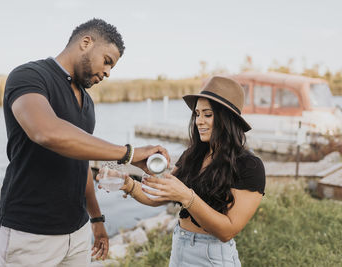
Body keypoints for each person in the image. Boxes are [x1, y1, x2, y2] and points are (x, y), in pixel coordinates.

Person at [0, 18, 170, 267]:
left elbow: (81, 164)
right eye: (107, 61)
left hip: (77, 233)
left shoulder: (87, 104)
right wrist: (128, 154)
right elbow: (45, 131)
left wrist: (96, 219)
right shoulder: (29, 76)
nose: (108, 72)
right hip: (30, 234)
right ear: (86, 43)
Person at [102, 76, 266, 266]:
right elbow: (156, 197)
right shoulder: (193, 155)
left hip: (213, 256)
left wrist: (187, 197)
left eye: (207, 114)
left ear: (226, 118)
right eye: (197, 114)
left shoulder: (249, 166)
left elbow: (227, 231)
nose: (199, 121)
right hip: (180, 245)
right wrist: (127, 183)